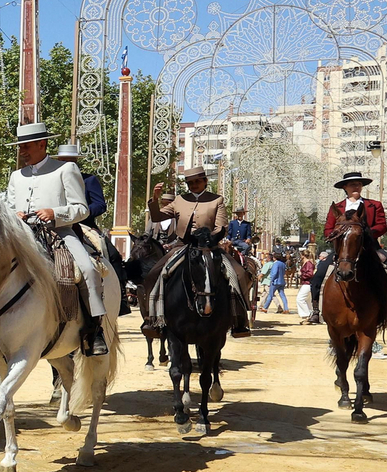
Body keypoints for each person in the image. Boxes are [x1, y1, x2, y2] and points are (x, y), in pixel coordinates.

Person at [5, 121, 110, 355]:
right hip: (20, 234)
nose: (22, 151)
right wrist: (15, 214)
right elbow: (9, 207)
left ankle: (94, 332)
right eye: (20, 146)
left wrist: (55, 212)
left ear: (42, 144)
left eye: (27, 146)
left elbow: (81, 209)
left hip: (59, 232)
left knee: (88, 270)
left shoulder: (65, 170)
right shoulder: (16, 176)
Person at [145, 165, 252, 338]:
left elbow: (222, 227)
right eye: (190, 182)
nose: (193, 185)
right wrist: (155, 199)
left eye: (197, 181)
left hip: (209, 246)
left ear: (205, 182)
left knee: (238, 274)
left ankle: (239, 320)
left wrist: (208, 239)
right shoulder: (179, 200)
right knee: (154, 273)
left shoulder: (216, 200)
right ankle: (152, 318)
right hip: (183, 245)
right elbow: (157, 217)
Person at [312, 171, 387, 329]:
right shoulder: (336, 208)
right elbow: (327, 229)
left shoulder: (375, 205)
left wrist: (365, 233)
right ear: (345, 187)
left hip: (370, 248)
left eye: (359, 184)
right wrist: (338, 234)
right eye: (352, 184)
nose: (356, 186)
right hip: (343, 250)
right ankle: (316, 310)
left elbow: (382, 225)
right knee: (318, 275)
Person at [55, 143, 130, 315]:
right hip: (56, 225)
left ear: (76, 162)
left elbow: (100, 205)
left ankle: (121, 300)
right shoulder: (52, 180)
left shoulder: (89, 180)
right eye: (63, 160)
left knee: (114, 255)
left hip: (84, 224)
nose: (67, 164)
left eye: (70, 161)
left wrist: (81, 213)